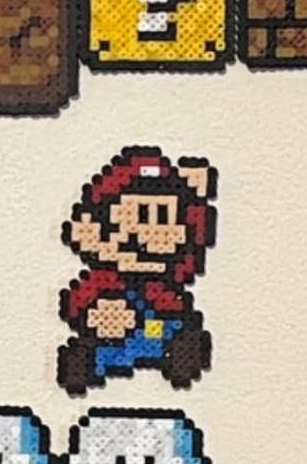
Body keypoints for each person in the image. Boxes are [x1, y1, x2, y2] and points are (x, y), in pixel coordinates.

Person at [54, 149, 219, 393]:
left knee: (177, 327)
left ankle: (181, 355)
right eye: (136, 217)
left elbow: (173, 304)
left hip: (158, 330)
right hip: (111, 334)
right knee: (94, 343)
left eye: (161, 217)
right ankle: (84, 363)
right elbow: (78, 302)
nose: (142, 236)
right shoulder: (103, 280)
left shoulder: (165, 286)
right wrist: (97, 311)